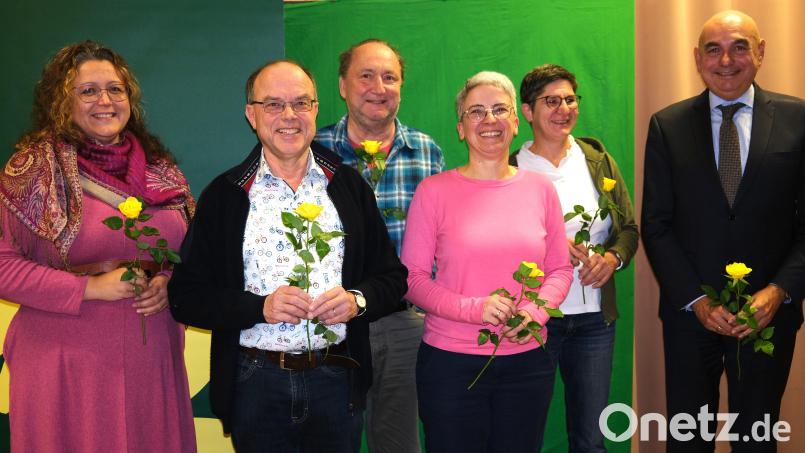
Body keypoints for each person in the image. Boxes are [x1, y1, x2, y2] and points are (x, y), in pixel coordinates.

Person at [167, 59, 407, 453]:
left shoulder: (348, 187)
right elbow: (186, 296)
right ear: (252, 114)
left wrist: (356, 301)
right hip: (256, 382)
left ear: (315, 109)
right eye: (273, 105)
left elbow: (393, 279)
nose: (289, 116)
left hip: (337, 377)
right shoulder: (225, 195)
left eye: (301, 103)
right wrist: (258, 308)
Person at [0, 41, 196, 453]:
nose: (104, 100)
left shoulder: (162, 169)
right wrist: (88, 288)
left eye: (115, 89)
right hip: (63, 358)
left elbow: (192, 249)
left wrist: (169, 281)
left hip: (151, 352)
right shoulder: (32, 169)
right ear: (61, 99)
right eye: (87, 91)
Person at [641, 10, 805, 452]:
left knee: (756, 439)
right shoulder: (667, 125)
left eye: (739, 47)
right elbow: (656, 224)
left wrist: (779, 292)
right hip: (691, 317)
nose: (726, 60)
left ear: (761, 52)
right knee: (688, 440)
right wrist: (697, 301)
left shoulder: (799, 118)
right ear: (697, 58)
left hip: (768, 315)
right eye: (713, 49)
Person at [401, 71, 573, 453]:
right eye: (475, 111)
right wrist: (476, 309)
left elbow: (560, 269)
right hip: (450, 364)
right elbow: (412, 279)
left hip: (528, 362)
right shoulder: (433, 192)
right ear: (461, 128)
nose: (489, 120)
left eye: (499, 109)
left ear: (515, 120)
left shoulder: (540, 189)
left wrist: (535, 313)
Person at [315, 38, 444, 453]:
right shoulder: (311, 152)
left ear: (401, 86)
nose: (378, 86)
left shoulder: (426, 152)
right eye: (366, 75)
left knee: (399, 443)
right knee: (332, 438)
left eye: (390, 77)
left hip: (406, 323)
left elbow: (445, 237)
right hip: (332, 324)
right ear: (342, 85)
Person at [510, 64, 639, 452]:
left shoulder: (597, 159)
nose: (563, 108)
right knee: (523, 433)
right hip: (535, 320)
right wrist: (548, 245)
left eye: (570, 99)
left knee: (590, 438)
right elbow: (495, 243)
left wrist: (614, 259)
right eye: (551, 101)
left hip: (594, 322)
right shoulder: (510, 168)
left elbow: (629, 229)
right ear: (528, 112)